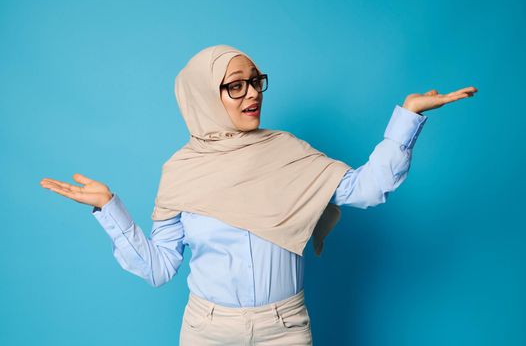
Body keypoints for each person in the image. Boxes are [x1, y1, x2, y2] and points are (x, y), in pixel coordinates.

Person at [40, 44, 477, 345]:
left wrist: (407, 118)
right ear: (203, 97)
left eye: (255, 81)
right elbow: (159, 268)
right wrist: (108, 207)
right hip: (206, 330)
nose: (251, 93)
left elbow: (367, 189)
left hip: (284, 327)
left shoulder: (287, 152)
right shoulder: (181, 170)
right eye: (235, 85)